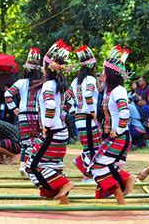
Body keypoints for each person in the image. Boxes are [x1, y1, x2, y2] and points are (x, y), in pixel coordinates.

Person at [26, 39, 74, 204]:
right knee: (53, 164)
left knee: (32, 166)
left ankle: (63, 185)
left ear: (46, 67)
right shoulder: (57, 84)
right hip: (59, 130)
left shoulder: (48, 85)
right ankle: (62, 197)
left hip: (52, 131)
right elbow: (67, 103)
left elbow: (51, 105)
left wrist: (46, 125)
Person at [87, 45, 135, 205]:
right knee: (102, 165)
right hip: (114, 135)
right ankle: (122, 192)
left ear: (110, 74)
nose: (102, 74)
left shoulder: (118, 91)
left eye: (104, 71)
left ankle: (126, 183)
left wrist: (118, 130)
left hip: (119, 136)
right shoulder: (111, 90)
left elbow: (125, 113)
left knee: (98, 165)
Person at [63, 45, 101, 180]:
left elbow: (66, 96)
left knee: (89, 145)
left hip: (79, 117)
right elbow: (88, 94)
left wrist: (74, 110)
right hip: (87, 116)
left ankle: (81, 163)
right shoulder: (90, 80)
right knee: (92, 146)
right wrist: (92, 112)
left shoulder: (76, 81)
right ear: (92, 67)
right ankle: (87, 175)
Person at [4, 47, 42, 175]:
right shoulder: (42, 84)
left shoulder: (21, 82)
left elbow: (7, 94)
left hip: (23, 115)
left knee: (25, 142)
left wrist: (14, 108)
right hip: (37, 115)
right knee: (37, 140)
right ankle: (32, 165)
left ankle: (23, 166)